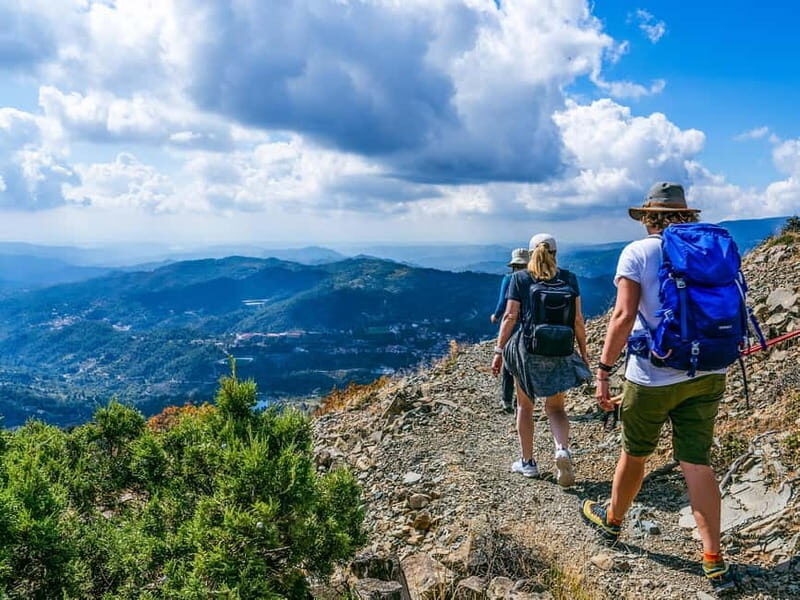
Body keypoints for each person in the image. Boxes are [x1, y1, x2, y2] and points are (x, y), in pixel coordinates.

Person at [580, 182, 737, 595]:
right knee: (697, 463)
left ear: (649, 216)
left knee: (634, 454)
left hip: (652, 375)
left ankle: (612, 523)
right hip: (708, 371)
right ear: (687, 214)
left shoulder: (640, 252)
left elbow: (622, 314)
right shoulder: (712, 250)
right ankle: (713, 560)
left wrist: (602, 369)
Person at [491, 233, 591, 487]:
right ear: (556, 253)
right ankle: (561, 450)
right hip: (560, 349)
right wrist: (583, 351)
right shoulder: (568, 278)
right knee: (556, 408)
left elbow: (510, 317)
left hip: (527, 350)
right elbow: (578, 320)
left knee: (525, 406)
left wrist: (499, 351)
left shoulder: (520, 278)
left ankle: (528, 462)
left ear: (531, 252)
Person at [491, 248, 530, 413]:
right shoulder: (535, 278)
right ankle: (524, 400)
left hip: (513, 325)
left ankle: (507, 401)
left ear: (513, 264)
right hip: (530, 326)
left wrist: (496, 315)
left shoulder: (509, 279)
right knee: (525, 363)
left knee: (508, 362)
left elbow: (503, 303)